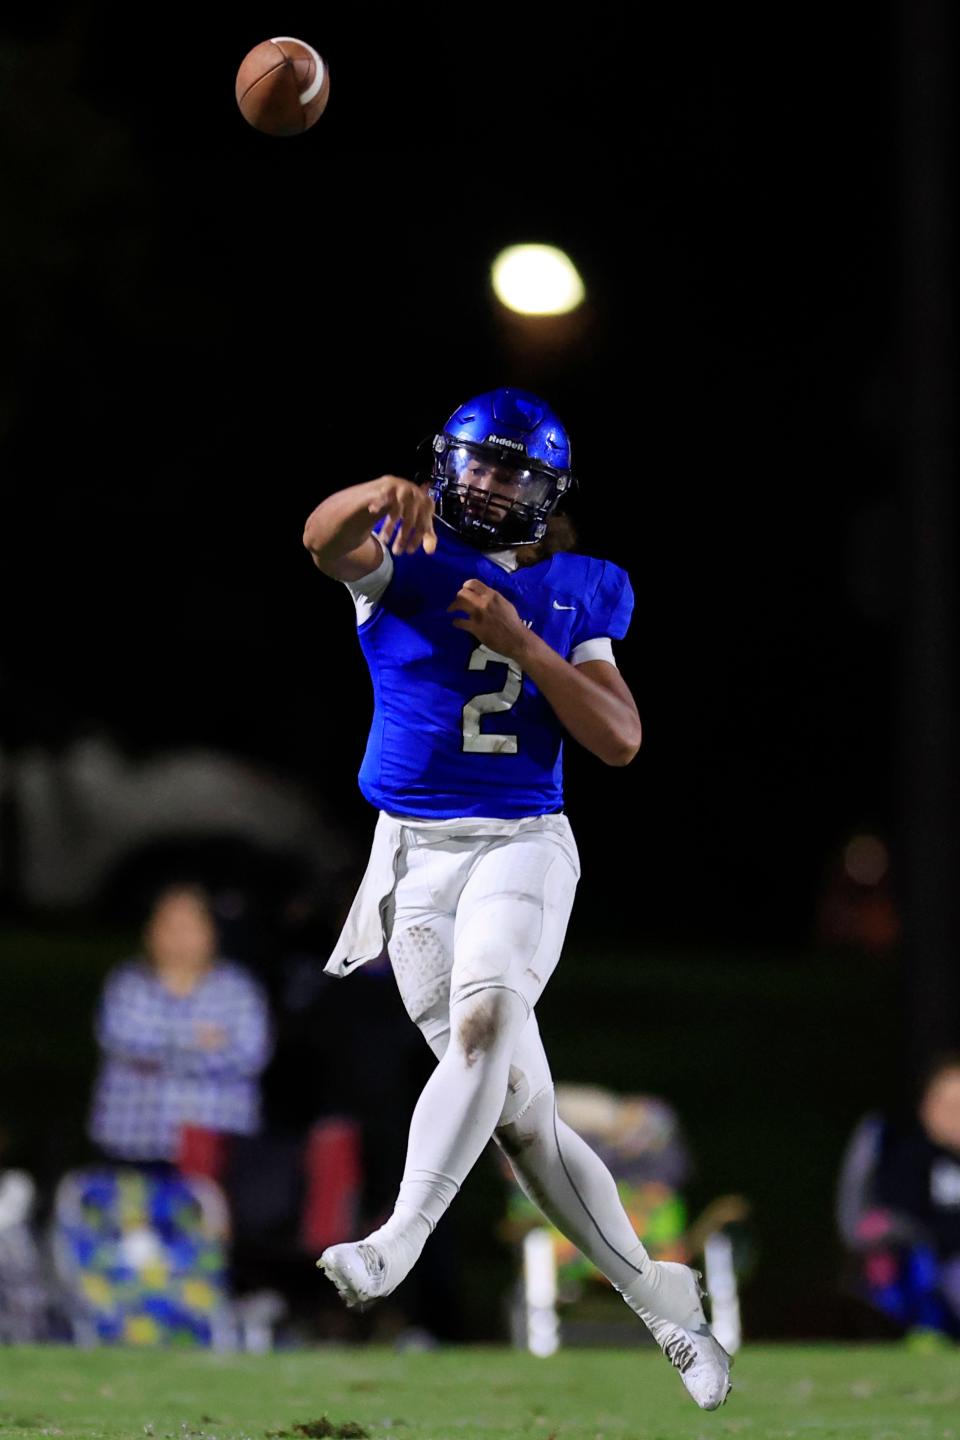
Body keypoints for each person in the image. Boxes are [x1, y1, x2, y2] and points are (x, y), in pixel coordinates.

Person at [301, 386, 731, 1409]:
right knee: (521, 1119)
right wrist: (372, 489)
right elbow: (321, 541)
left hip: (523, 842)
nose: (489, 484)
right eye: (477, 464)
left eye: (512, 472)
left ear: (545, 493)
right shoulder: (402, 557)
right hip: (410, 857)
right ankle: (662, 1299)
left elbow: (620, 740)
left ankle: (394, 1244)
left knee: (486, 1018)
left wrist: (525, 640)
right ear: (447, 464)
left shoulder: (583, 588)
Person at [87, 883, 273, 1167]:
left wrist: (158, 1050)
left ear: (211, 932)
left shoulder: (238, 989)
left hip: (214, 1148)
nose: (178, 938)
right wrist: (197, 1041)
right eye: (169, 926)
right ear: (150, 932)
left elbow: (249, 1055)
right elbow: (122, 1040)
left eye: (188, 926)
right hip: (129, 1144)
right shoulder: (127, 984)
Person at [837, 1052, 960, 1345]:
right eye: (950, 1106)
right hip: (915, 1272)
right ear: (927, 1105)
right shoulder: (899, 1152)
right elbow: (861, 1222)